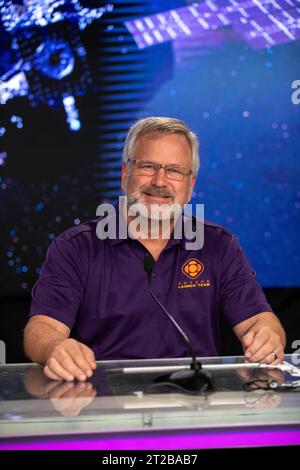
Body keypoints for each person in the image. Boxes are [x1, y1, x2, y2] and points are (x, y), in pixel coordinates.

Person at [24, 117, 286, 382]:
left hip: (196, 403)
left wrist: (267, 334)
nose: (160, 181)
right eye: (148, 166)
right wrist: (54, 348)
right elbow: (42, 328)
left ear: (191, 185)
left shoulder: (218, 246)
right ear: (125, 174)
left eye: (174, 170)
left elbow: (258, 320)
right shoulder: (75, 247)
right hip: (101, 405)